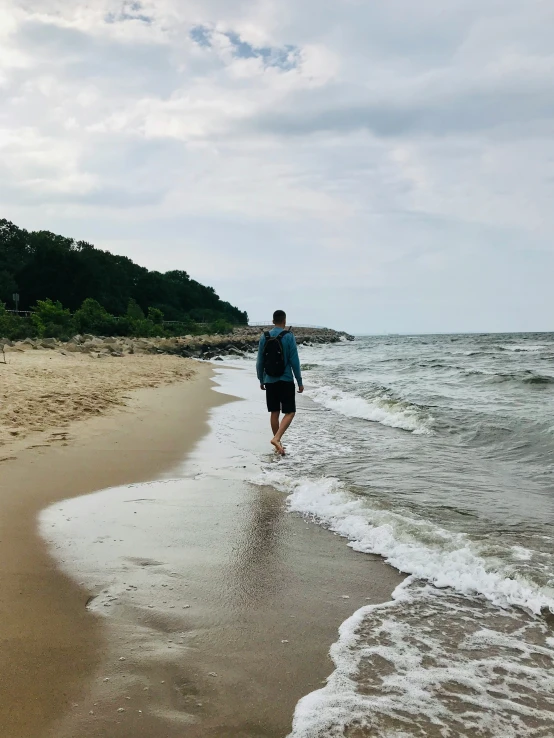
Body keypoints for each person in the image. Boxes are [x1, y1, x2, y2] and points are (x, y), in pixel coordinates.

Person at [256, 310, 304, 456]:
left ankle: (278, 445)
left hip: (270, 380)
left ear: (273, 321)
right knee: (290, 412)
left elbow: (260, 362)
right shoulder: (289, 336)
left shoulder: (264, 337)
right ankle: (277, 438)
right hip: (286, 380)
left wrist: (261, 379)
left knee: (274, 412)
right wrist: (299, 381)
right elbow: (294, 361)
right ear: (284, 321)